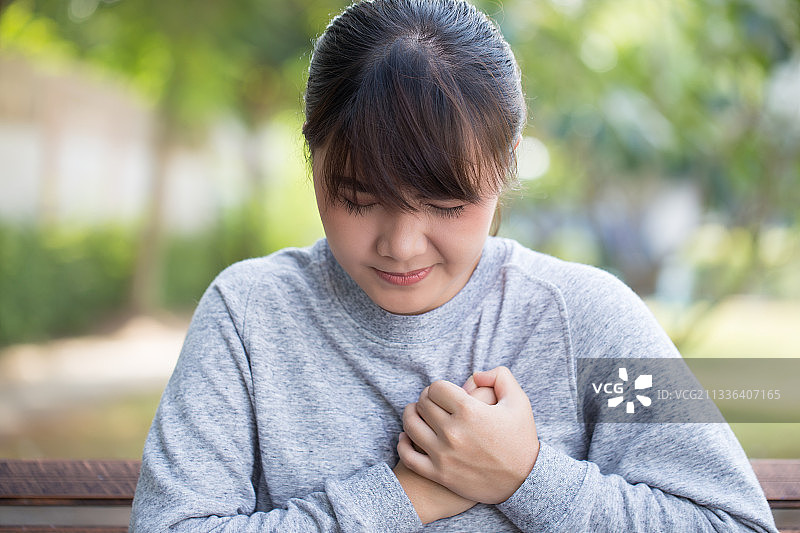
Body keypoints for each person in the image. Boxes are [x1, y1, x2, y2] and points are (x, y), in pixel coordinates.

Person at [130, 0, 778, 531]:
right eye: (358, 197)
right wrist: (402, 498)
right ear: (312, 155)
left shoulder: (588, 321)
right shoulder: (251, 315)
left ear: (506, 164)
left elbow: (734, 524)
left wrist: (525, 477)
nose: (402, 245)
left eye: (445, 204)